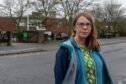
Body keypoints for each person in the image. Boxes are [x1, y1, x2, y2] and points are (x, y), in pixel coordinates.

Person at [54, 12, 114, 84]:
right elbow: (59, 79)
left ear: (91, 27)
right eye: (81, 24)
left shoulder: (95, 48)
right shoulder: (65, 50)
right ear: (74, 27)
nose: (85, 27)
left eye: (88, 24)